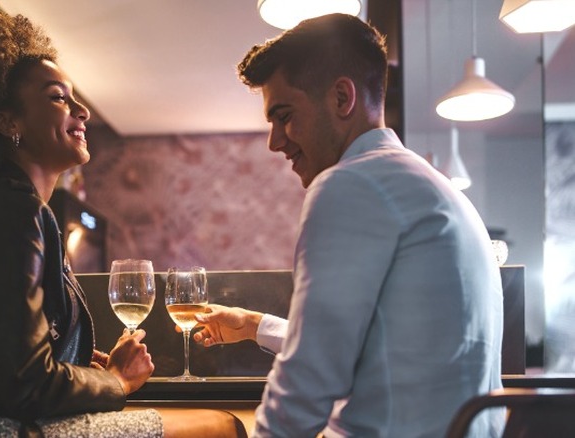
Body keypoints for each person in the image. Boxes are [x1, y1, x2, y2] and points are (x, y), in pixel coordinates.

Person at [0, 7, 245, 438]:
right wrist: (116, 380)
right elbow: (24, 384)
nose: (83, 111)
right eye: (58, 97)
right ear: (8, 122)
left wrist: (74, 367)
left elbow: (5, 363)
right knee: (219, 427)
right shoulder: (9, 211)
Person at [193, 13, 504, 438]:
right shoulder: (429, 186)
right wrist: (252, 325)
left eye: (284, 115)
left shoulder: (350, 183)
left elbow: (312, 375)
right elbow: (372, 349)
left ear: (342, 98)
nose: (274, 140)